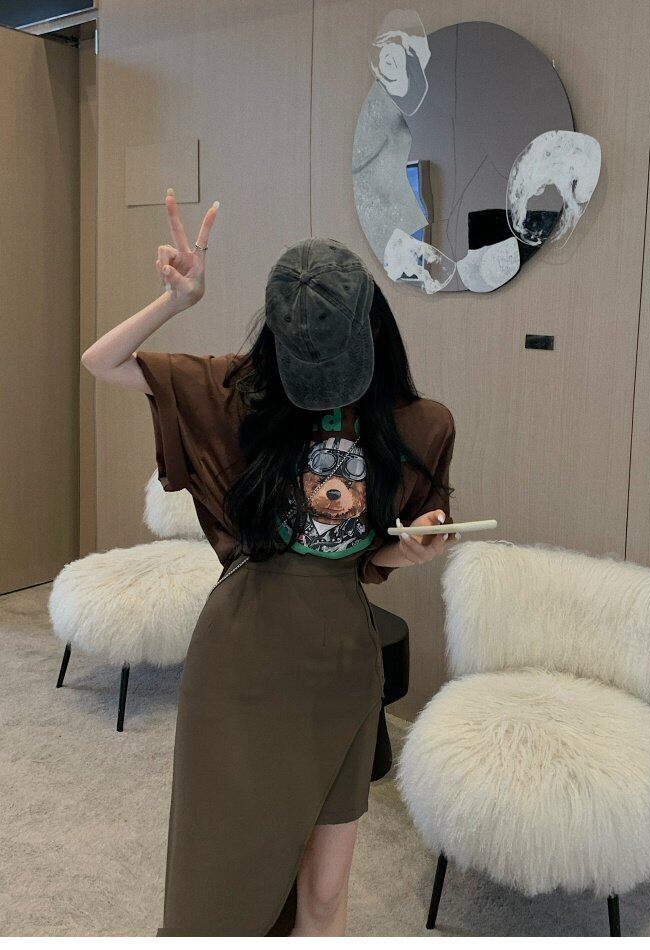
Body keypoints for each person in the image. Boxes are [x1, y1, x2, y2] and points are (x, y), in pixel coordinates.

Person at [80, 190, 457, 937]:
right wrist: (177, 300)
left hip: (340, 669)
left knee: (326, 891)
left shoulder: (419, 424)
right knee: (220, 878)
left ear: (372, 330)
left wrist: (413, 549)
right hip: (239, 663)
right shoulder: (233, 394)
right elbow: (102, 360)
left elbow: (377, 551)